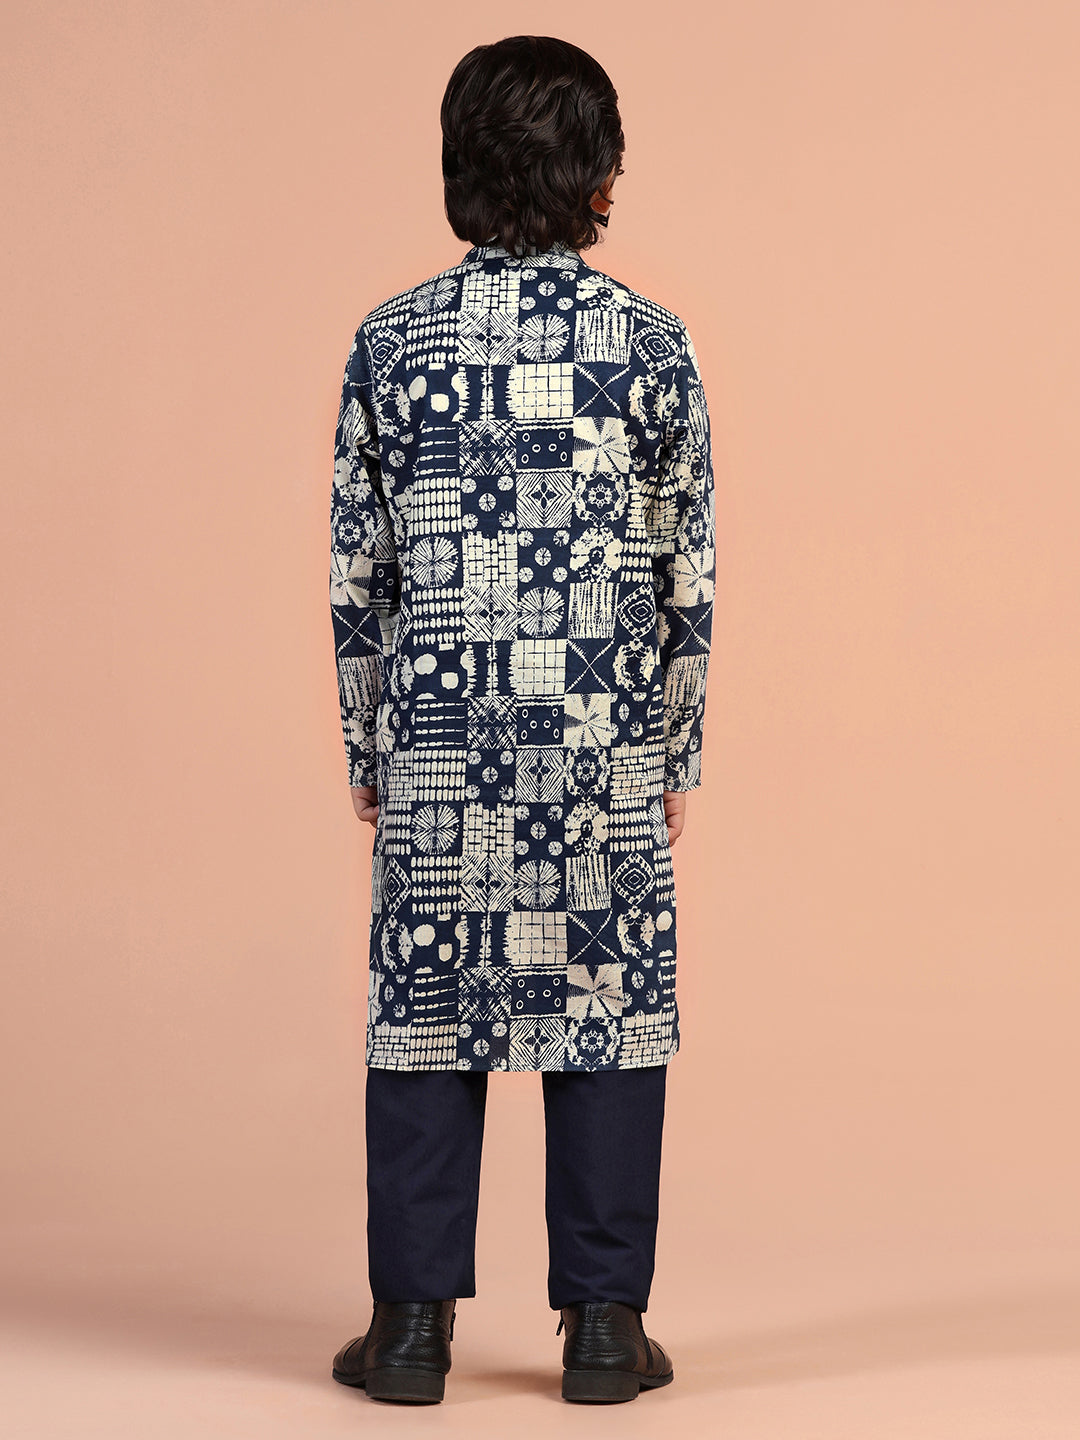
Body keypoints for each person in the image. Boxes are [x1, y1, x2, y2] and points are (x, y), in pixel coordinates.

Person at [327, 34, 715, 1405]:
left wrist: (370, 742)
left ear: (460, 168)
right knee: (606, 1008)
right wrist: (675, 744)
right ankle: (604, 1330)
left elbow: (359, 571)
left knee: (427, 1012)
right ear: (599, 177)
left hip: (443, 741)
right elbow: (684, 570)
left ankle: (410, 1331)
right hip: (597, 743)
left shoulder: (392, 342)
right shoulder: (651, 345)